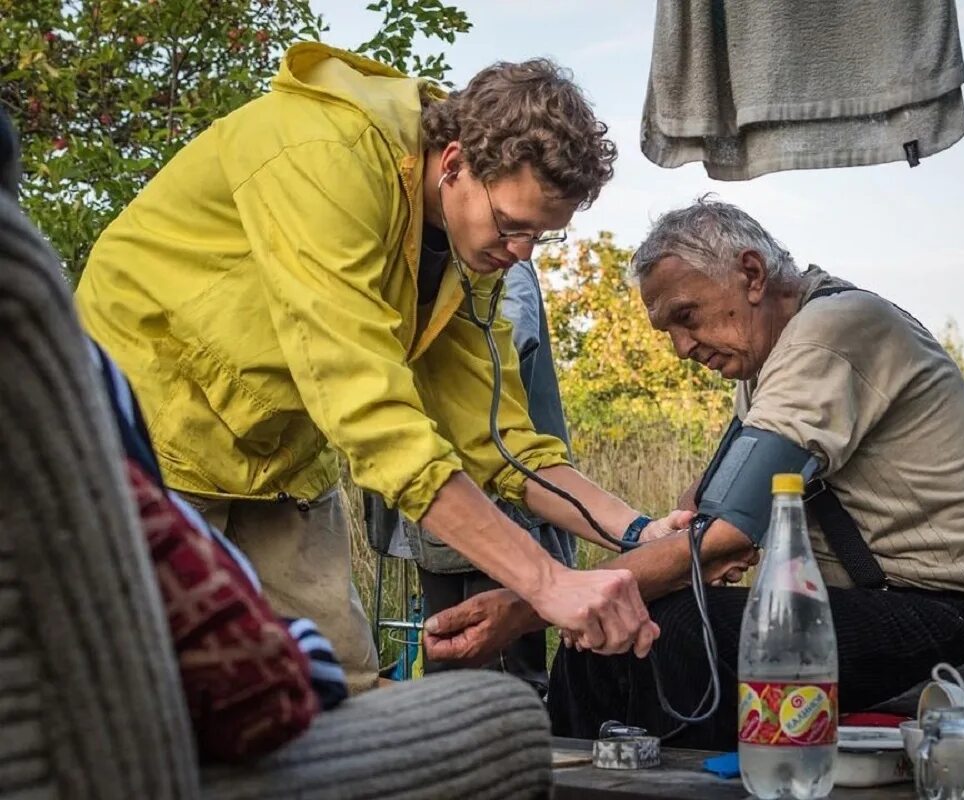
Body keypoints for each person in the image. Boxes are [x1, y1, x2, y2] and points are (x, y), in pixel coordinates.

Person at [74, 43, 681, 693]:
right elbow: (369, 413)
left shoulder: (467, 246)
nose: (520, 253)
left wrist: (639, 530)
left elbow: (500, 443)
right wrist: (547, 582)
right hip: (147, 429)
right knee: (148, 687)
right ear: (454, 164)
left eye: (540, 236)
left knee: (342, 682)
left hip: (278, 461)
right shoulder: (324, 156)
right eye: (510, 225)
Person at [423, 197, 964, 749]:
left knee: (672, 629)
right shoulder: (769, 359)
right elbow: (709, 504)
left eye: (688, 317)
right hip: (871, 603)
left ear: (752, 275)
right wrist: (655, 558)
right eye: (671, 331)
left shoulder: (834, 332)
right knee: (620, 629)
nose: (682, 347)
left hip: (950, 613)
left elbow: (727, 532)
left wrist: (541, 603)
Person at [401, 258, 577, 693]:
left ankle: (512, 751)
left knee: (508, 668)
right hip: (439, 501)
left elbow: (506, 349)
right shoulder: (437, 263)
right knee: (446, 656)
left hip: (504, 496)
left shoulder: (504, 267)